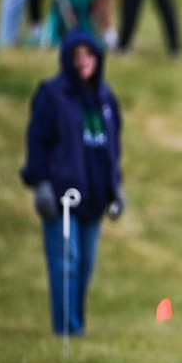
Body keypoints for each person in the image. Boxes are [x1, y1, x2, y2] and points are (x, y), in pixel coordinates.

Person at [20, 30, 124, 335]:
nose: (83, 62)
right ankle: (67, 329)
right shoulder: (52, 95)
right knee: (66, 262)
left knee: (84, 266)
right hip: (62, 198)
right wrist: (40, 185)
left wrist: (114, 189)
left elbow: (111, 149)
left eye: (89, 55)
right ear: (67, 59)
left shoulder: (105, 99)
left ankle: (75, 324)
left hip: (94, 196)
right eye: (77, 56)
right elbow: (37, 142)